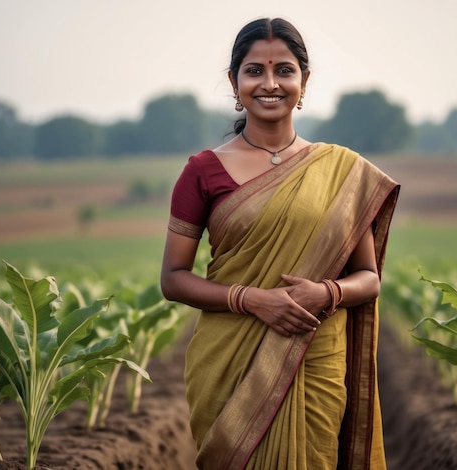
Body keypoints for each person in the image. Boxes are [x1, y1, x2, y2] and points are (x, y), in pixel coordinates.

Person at [160, 17, 400, 470]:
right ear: (234, 82)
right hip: (229, 363)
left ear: (303, 82)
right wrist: (252, 300)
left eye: (284, 70)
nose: (269, 84)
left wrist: (327, 293)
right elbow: (172, 279)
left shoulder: (340, 172)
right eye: (254, 71)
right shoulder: (202, 171)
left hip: (314, 357)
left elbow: (368, 279)